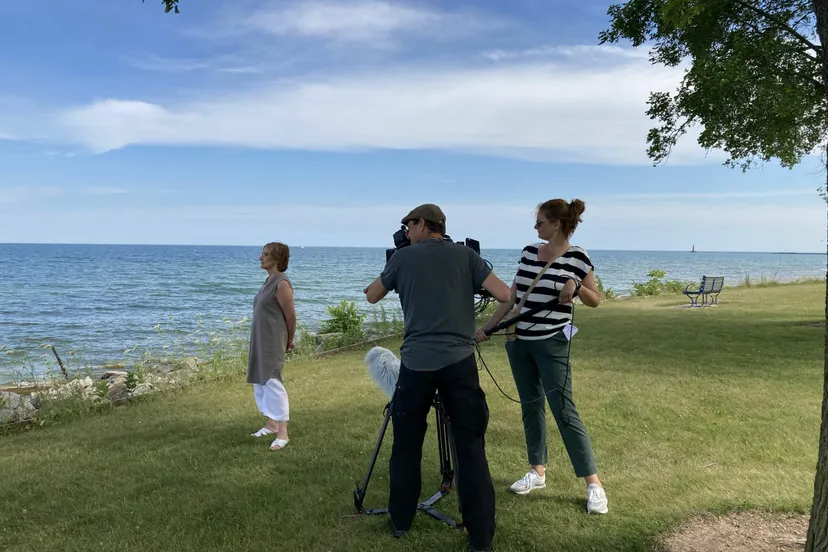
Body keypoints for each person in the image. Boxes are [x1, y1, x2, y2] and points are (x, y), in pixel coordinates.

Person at [364, 203, 511, 552]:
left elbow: (371, 295)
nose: (406, 233)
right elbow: (506, 294)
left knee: (406, 444)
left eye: (408, 226)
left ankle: (401, 520)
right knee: (470, 448)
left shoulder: (402, 258)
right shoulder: (466, 256)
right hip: (459, 363)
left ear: (422, 224)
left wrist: (399, 271)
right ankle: (480, 536)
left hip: (416, 365)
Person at [476, 198, 609, 515]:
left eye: (540, 222)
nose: (535, 227)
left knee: (564, 409)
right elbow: (512, 297)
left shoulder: (578, 257)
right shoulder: (528, 252)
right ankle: (537, 471)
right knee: (530, 406)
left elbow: (595, 299)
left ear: (557, 224)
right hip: (518, 342)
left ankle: (593, 484)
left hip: (552, 343)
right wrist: (487, 327)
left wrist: (575, 285)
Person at [248, 241, 296, 451]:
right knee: (259, 381)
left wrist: (289, 340)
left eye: (265, 254)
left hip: (273, 341)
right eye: (262, 253)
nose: (261, 257)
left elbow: (291, 317)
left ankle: (282, 432)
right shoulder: (268, 281)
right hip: (260, 339)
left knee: (272, 383)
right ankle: (271, 423)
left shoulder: (282, 284)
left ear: (277, 259)